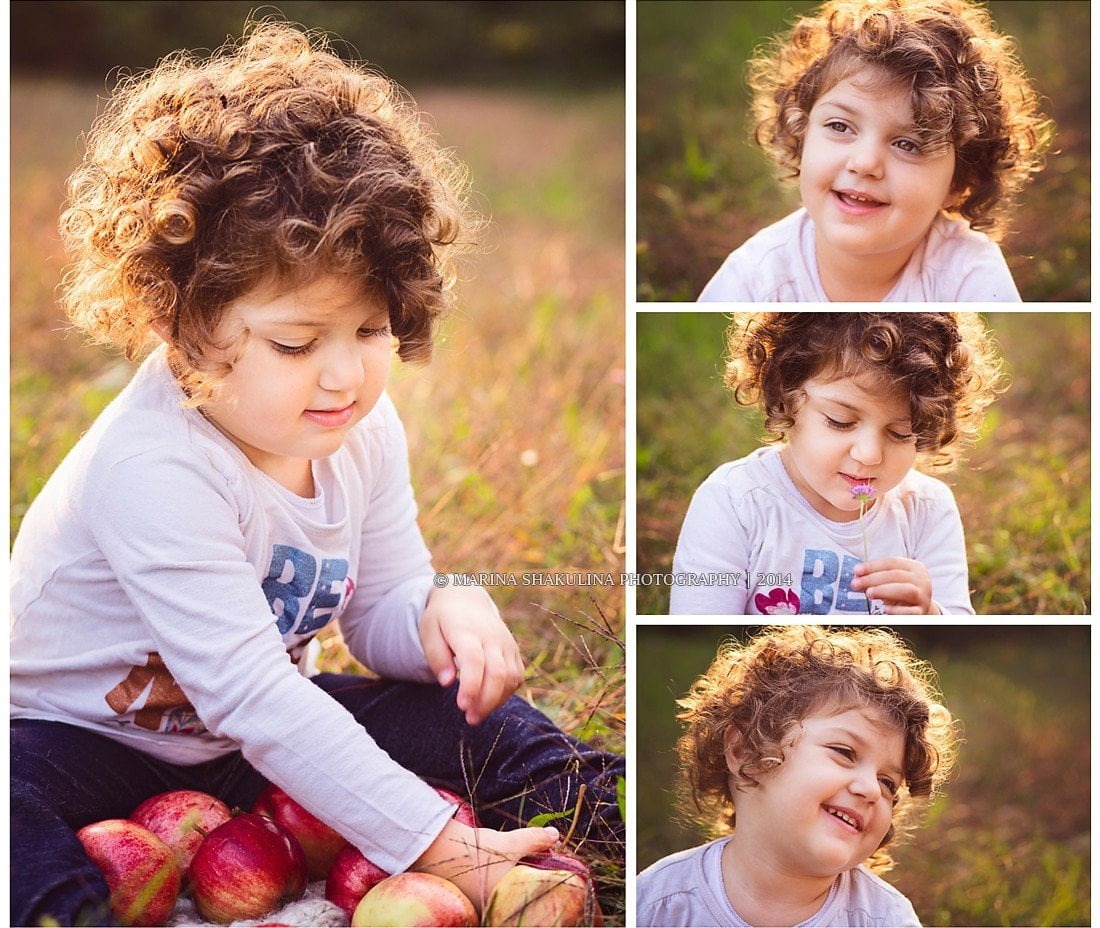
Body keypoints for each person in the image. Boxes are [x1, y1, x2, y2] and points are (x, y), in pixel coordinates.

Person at [10, 22, 622, 926]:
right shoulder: (152, 467)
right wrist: (445, 850)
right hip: (76, 740)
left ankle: (614, 835)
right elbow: (253, 696)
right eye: (296, 342)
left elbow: (376, 615)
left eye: (371, 331)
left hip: (242, 743)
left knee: (478, 727)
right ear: (180, 322)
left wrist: (439, 607)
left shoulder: (357, 429)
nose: (345, 375)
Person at [698, 0, 1051, 302]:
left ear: (960, 183)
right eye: (840, 126)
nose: (865, 163)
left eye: (909, 144)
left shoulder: (967, 274)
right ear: (801, 131)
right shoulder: (756, 278)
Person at [671, 312, 1005, 615]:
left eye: (901, 433)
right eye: (840, 421)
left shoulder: (926, 509)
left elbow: (957, 616)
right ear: (785, 395)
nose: (869, 454)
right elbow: (699, 620)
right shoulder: (735, 501)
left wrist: (930, 613)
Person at [637, 625, 958, 927]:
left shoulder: (883, 918)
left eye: (888, 782)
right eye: (845, 753)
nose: (871, 789)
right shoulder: (660, 901)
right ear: (744, 752)